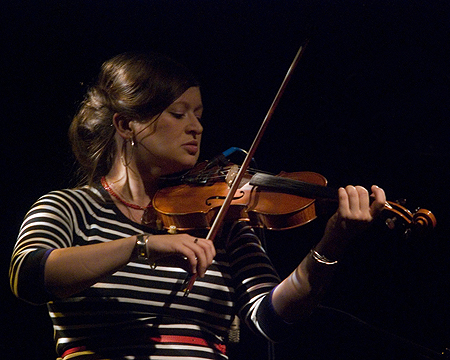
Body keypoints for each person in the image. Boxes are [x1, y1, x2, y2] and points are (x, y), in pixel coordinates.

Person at [9, 52, 386, 360]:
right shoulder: (70, 207)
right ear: (126, 125)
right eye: (179, 113)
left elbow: (271, 317)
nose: (197, 127)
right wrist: (140, 246)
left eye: (199, 114)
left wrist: (330, 246)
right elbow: (28, 276)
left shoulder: (220, 219)